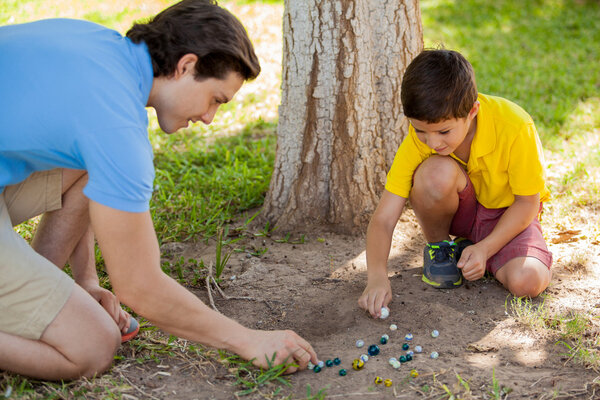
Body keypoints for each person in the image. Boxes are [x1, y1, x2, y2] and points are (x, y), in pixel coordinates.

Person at [0, 0, 317, 380]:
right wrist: (246, 340)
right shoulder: (116, 127)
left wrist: (86, 281)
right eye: (215, 99)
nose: (208, 118)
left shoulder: (98, 43)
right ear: (186, 66)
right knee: (93, 344)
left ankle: (43, 298)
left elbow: (87, 156)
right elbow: (139, 286)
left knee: (86, 163)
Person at [358, 49, 553, 318]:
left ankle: (480, 252)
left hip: (509, 216)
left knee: (527, 282)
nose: (433, 142)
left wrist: (486, 248)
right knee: (434, 173)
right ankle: (445, 251)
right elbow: (384, 218)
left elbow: (528, 203)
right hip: (462, 210)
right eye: (420, 130)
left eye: (444, 131)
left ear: (472, 111)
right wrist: (377, 277)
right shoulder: (420, 141)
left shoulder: (515, 126)